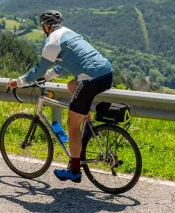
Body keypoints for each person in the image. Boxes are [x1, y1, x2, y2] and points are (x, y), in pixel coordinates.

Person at [8, 10, 113, 183]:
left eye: (43, 27)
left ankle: (74, 171)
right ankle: (87, 120)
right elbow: (62, 66)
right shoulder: (69, 34)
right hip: (106, 74)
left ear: (47, 26)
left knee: (72, 126)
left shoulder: (52, 42)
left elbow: (38, 70)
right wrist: (46, 77)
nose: (43, 30)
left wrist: (17, 83)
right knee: (72, 85)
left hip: (90, 80)